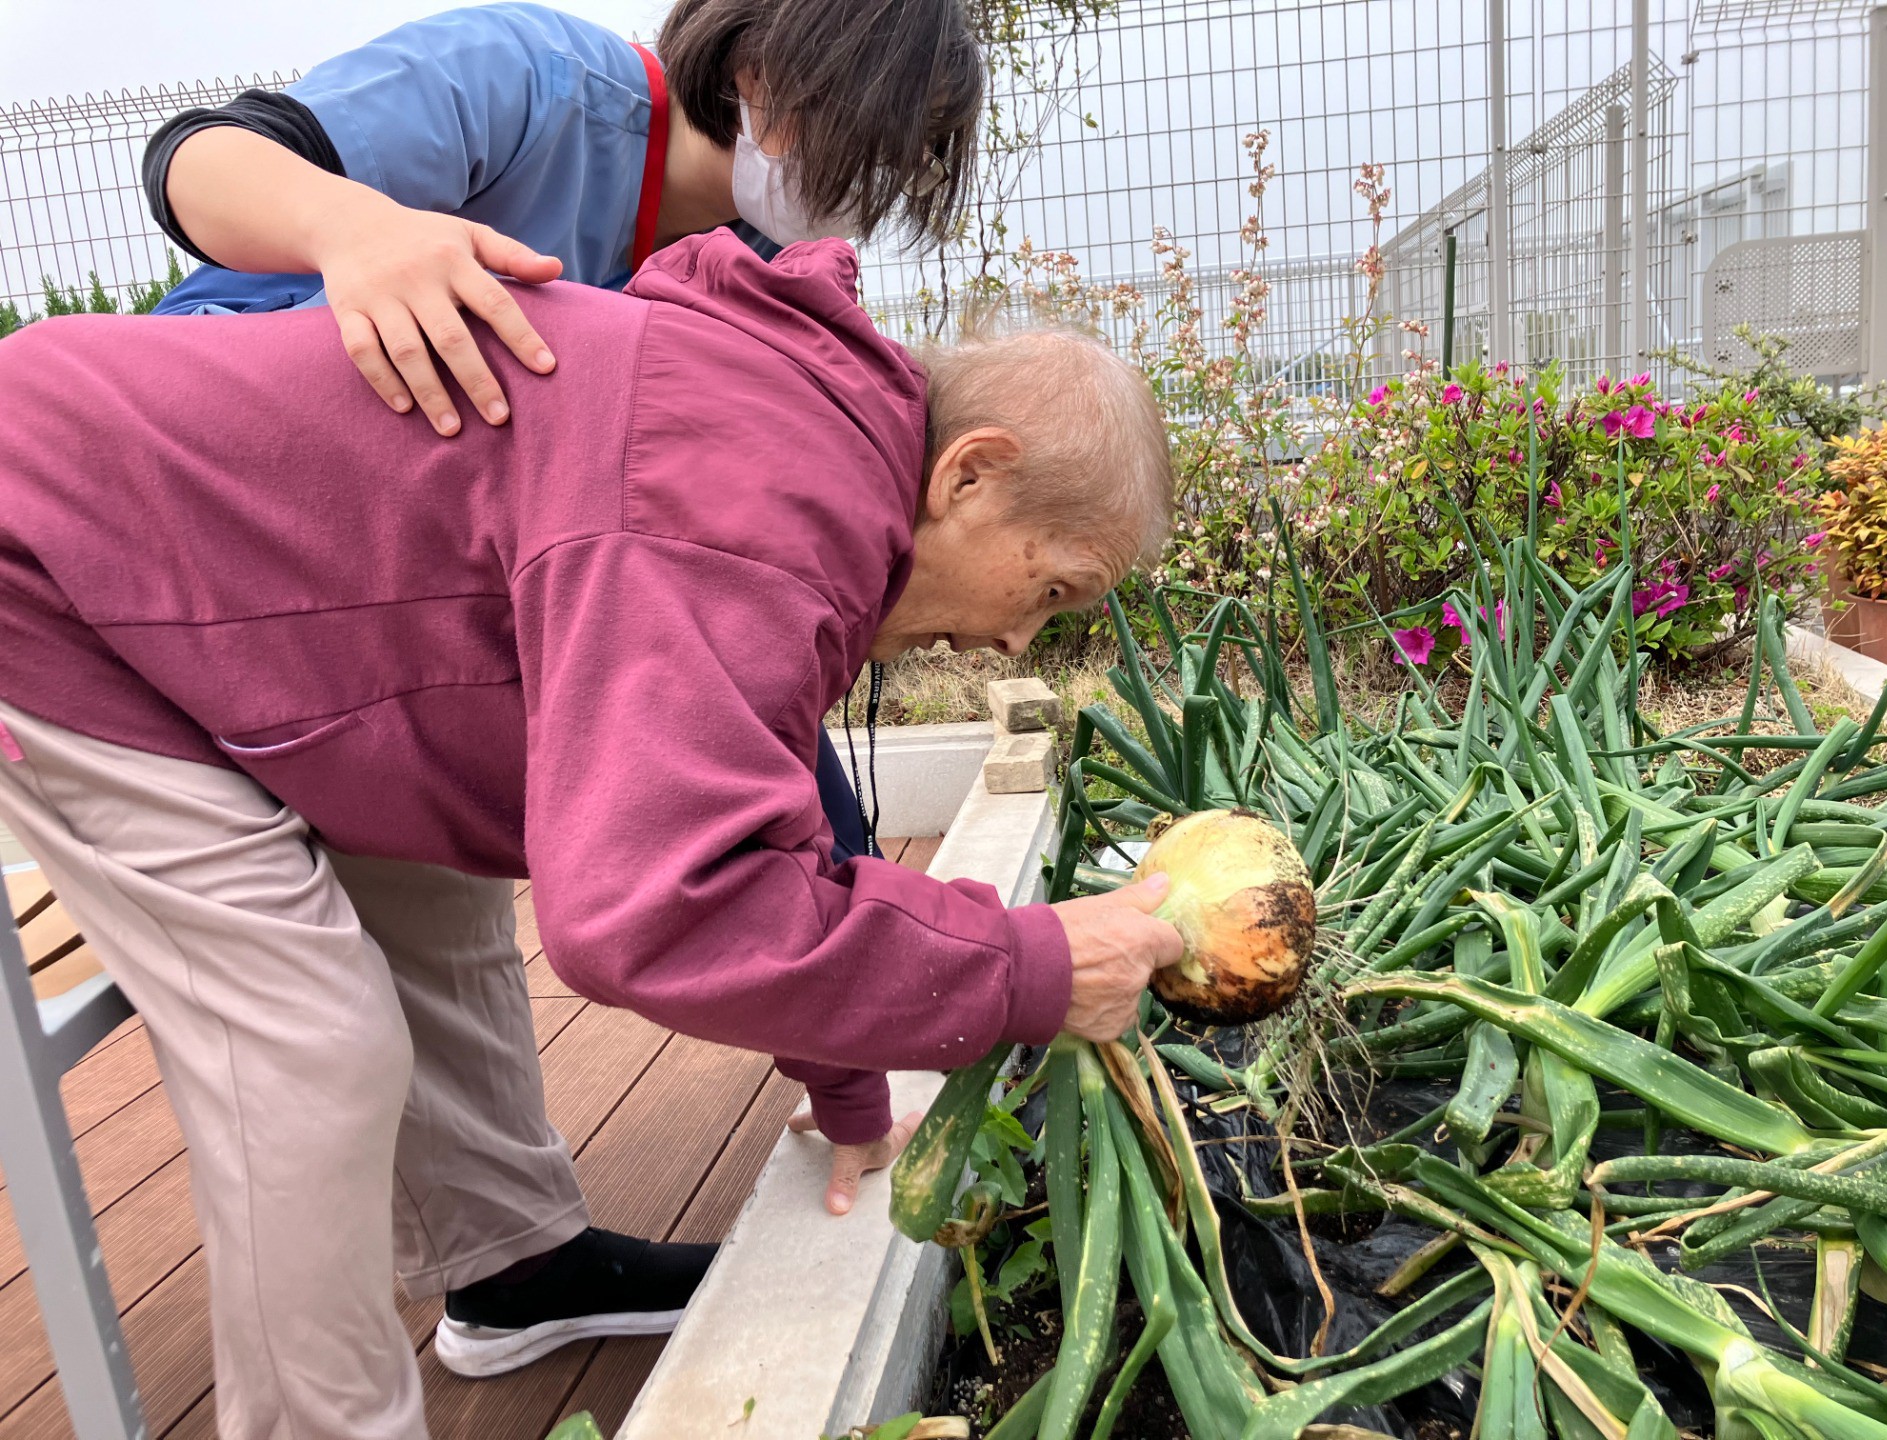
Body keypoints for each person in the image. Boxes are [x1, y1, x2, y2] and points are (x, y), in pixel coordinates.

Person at [0, 230, 1183, 1436]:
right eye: (1051, 590)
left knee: (438, 909)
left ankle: (515, 1273)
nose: (1018, 642)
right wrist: (1027, 967)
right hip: (53, 562)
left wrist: (850, 1092)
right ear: (971, 475)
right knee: (307, 1047)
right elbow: (662, 905)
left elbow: (763, 809)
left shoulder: (803, 449)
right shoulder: (753, 503)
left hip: (218, 598)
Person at [142, 0, 983, 879]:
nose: (879, 181)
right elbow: (195, 161)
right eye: (881, 138)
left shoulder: (760, 268)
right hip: (225, 519)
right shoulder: (531, 78)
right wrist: (356, 229)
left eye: (909, 160)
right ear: (766, 68)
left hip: (425, 610)